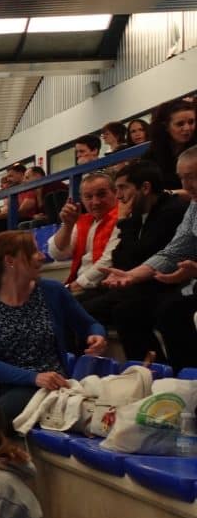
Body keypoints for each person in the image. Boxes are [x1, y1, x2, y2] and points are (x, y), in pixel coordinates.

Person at [0, 230, 106, 418]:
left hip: (47, 382)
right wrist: (31, 377)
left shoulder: (53, 291)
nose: (41, 256)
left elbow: (89, 324)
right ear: (10, 261)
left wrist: (96, 335)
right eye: (34, 251)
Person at [81, 159, 188, 359]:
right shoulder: (138, 215)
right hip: (138, 282)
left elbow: (142, 255)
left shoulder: (172, 211)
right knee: (77, 306)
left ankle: (155, 370)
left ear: (145, 187)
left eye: (122, 188)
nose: (118, 195)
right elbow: (121, 259)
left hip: (162, 285)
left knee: (126, 311)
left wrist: (123, 222)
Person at [102, 146, 197, 368]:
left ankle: (188, 376)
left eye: (191, 177)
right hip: (187, 283)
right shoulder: (194, 206)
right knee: (134, 311)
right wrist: (131, 276)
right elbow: (175, 250)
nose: (185, 186)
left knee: (171, 310)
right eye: (182, 178)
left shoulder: (172, 209)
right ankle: (167, 376)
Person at [47, 171, 120, 293]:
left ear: (115, 193)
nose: (95, 202)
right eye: (89, 197)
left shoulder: (122, 218)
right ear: (81, 199)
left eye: (101, 194)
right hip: (82, 286)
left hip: (104, 287)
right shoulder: (84, 221)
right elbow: (57, 254)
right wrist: (67, 225)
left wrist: (71, 288)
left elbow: (108, 261)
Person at [145, 97, 196, 195]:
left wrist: (171, 193)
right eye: (180, 124)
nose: (187, 128)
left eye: (191, 122)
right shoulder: (151, 157)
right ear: (166, 126)